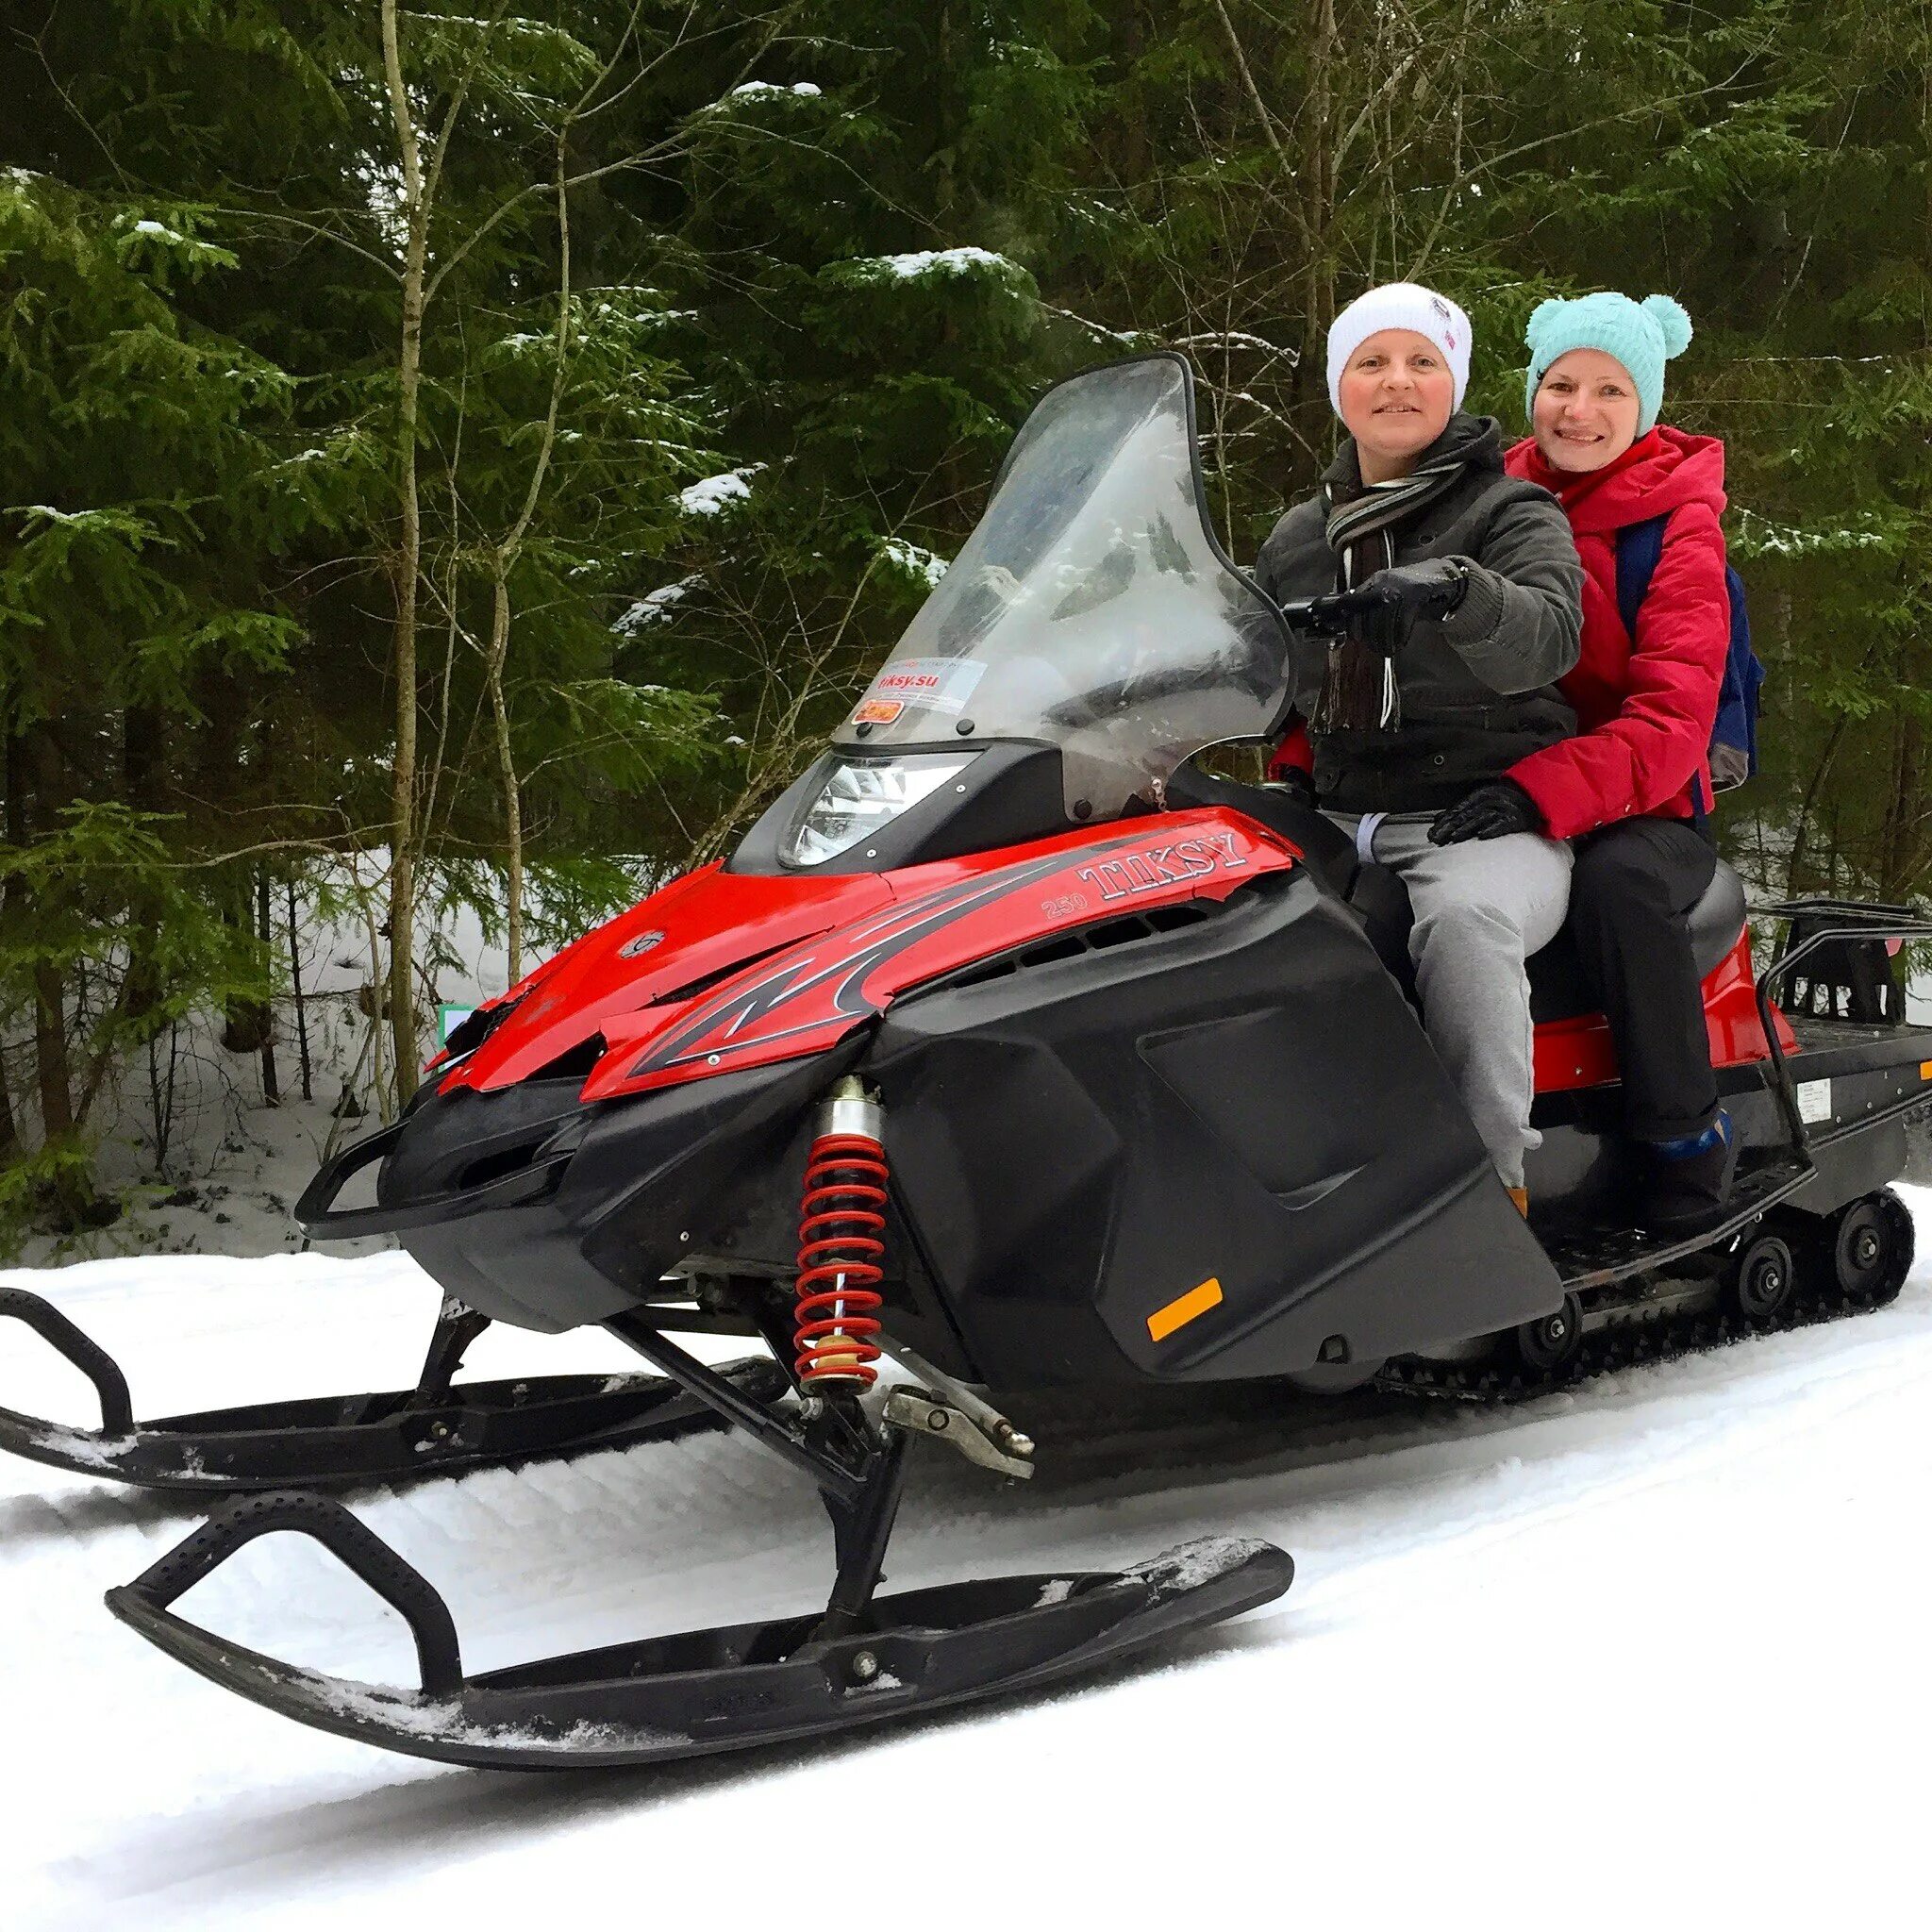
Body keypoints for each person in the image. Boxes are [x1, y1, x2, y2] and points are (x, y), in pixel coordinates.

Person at [1257, 283, 1584, 1211]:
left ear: (1453, 383)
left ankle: (1487, 1189)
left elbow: (1549, 635)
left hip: (1475, 810)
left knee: (1464, 926)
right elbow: (1251, 665)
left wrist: (1455, 591)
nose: (1395, 382)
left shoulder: (1509, 512)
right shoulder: (1297, 535)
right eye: (1370, 361)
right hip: (1333, 804)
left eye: (1420, 362)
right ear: (1337, 386)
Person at [1462, 291, 1736, 1231]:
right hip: (1491, 783)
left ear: (1643, 404)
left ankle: (1681, 1146)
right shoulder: (1483, 500)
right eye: (1560, 383)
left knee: (1614, 886)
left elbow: (1670, 721)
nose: (1578, 410)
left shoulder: (1675, 529)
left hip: (1645, 809)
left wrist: (1535, 791)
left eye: (1608, 390)